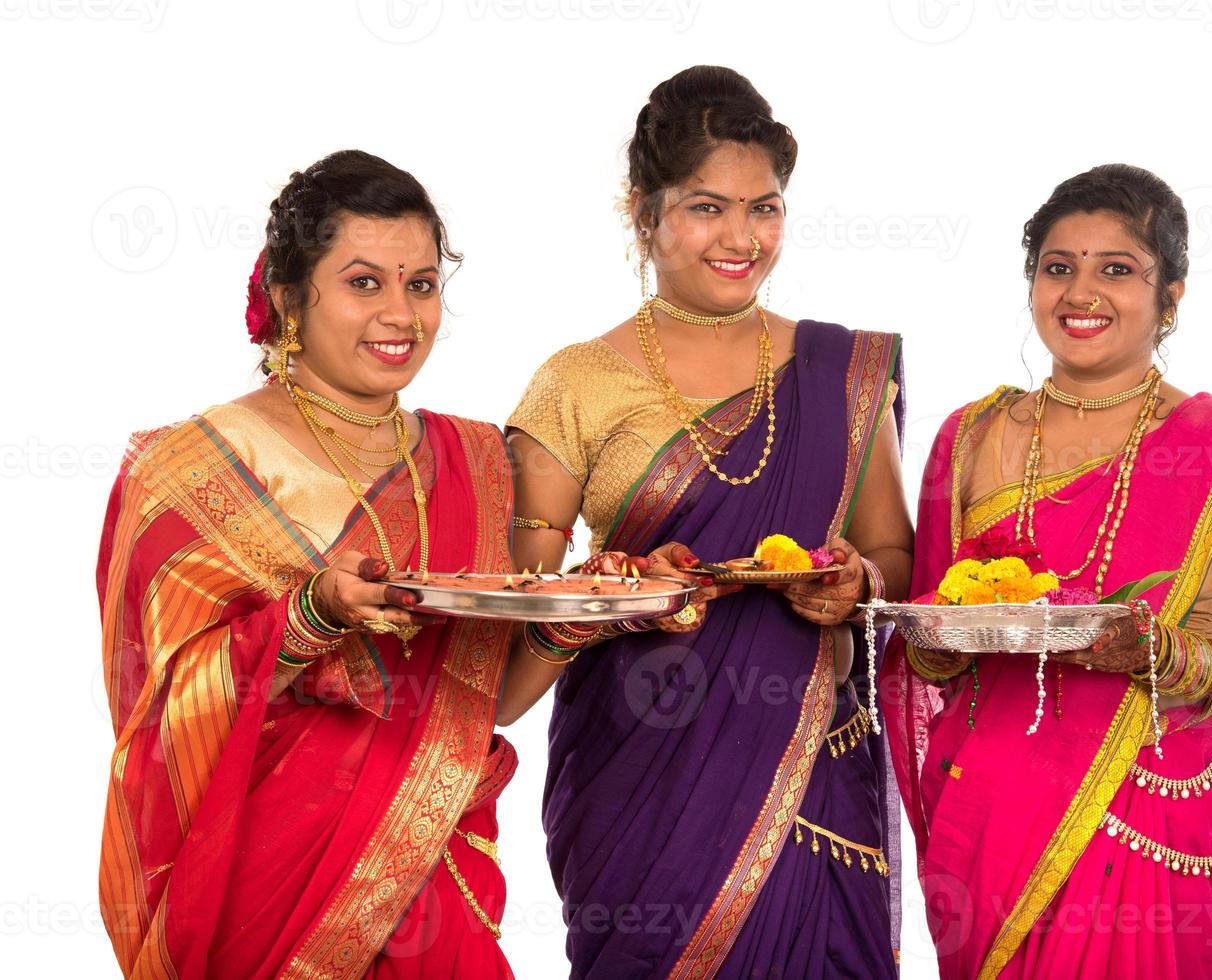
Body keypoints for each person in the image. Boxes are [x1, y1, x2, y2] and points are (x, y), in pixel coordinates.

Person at [500, 66, 914, 977]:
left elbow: (894, 557)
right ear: (642, 212)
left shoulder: (840, 371)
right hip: (639, 770)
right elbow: (518, 603)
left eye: (764, 209)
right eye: (706, 208)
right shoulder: (574, 382)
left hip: (807, 761)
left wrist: (857, 583)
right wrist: (609, 589)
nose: (741, 238)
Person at [98, 150, 527, 977]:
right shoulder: (191, 468)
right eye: (364, 282)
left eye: (422, 284)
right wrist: (309, 618)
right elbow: (162, 714)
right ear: (291, 298)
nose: (400, 314)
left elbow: (487, 694)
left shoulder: (476, 458)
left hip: (435, 875)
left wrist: (582, 617)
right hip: (267, 881)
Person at [881, 164, 1212, 979]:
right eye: (1058, 267)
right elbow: (924, 649)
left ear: (1172, 295)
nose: (1081, 292)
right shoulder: (969, 439)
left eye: (1117, 268)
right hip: (992, 814)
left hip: (1149, 812)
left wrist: (1169, 658)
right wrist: (945, 634)